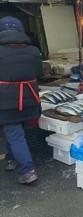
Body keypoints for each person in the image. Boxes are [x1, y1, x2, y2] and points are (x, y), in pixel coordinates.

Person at [0, 16, 42, 184]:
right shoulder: (33, 50)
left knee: (14, 132)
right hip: (30, 99)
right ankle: (11, 160)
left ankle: (28, 170)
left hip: (6, 101)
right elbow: (39, 73)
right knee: (16, 131)